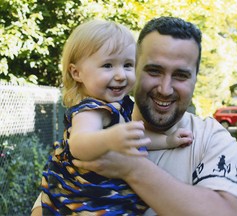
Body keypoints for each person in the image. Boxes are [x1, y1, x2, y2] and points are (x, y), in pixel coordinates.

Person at [32, 16, 237, 216]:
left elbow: (228, 212)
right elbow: (50, 202)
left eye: (180, 75)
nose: (165, 88)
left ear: (195, 80)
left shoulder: (210, 138)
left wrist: (132, 167)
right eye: (154, 71)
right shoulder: (96, 118)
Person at [39, 18, 193, 215]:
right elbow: (78, 145)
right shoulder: (92, 110)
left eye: (128, 65)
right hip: (86, 199)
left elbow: (135, 137)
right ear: (76, 73)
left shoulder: (121, 106)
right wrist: (110, 139)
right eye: (108, 65)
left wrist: (167, 140)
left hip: (104, 196)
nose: (121, 75)